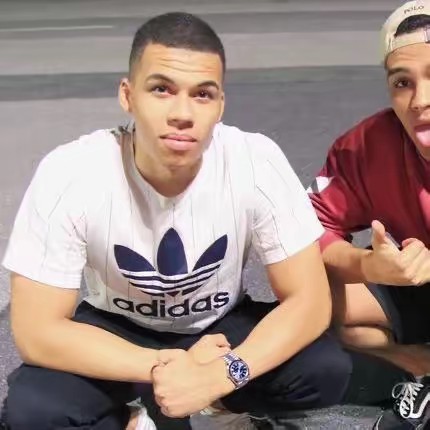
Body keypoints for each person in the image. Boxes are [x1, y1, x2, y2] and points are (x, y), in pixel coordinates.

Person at [0, 11, 351, 430]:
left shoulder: (254, 160)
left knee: (323, 369)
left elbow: (310, 302)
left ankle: (218, 408)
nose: (182, 113)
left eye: (202, 94)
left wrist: (224, 373)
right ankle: (136, 416)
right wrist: (163, 366)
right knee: (32, 413)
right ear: (128, 96)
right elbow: (37, 331)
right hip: (116, 327)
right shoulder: (71, 172)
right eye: (161, 89)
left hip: (219, 326)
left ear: (220, 105)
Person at [308, 1, 430, 429]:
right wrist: (368, 265)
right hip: (412, 285)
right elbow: (307, 231)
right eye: (403, 82)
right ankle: (420, 369)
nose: (421, 100)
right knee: (313, 302)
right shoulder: (365, 146)